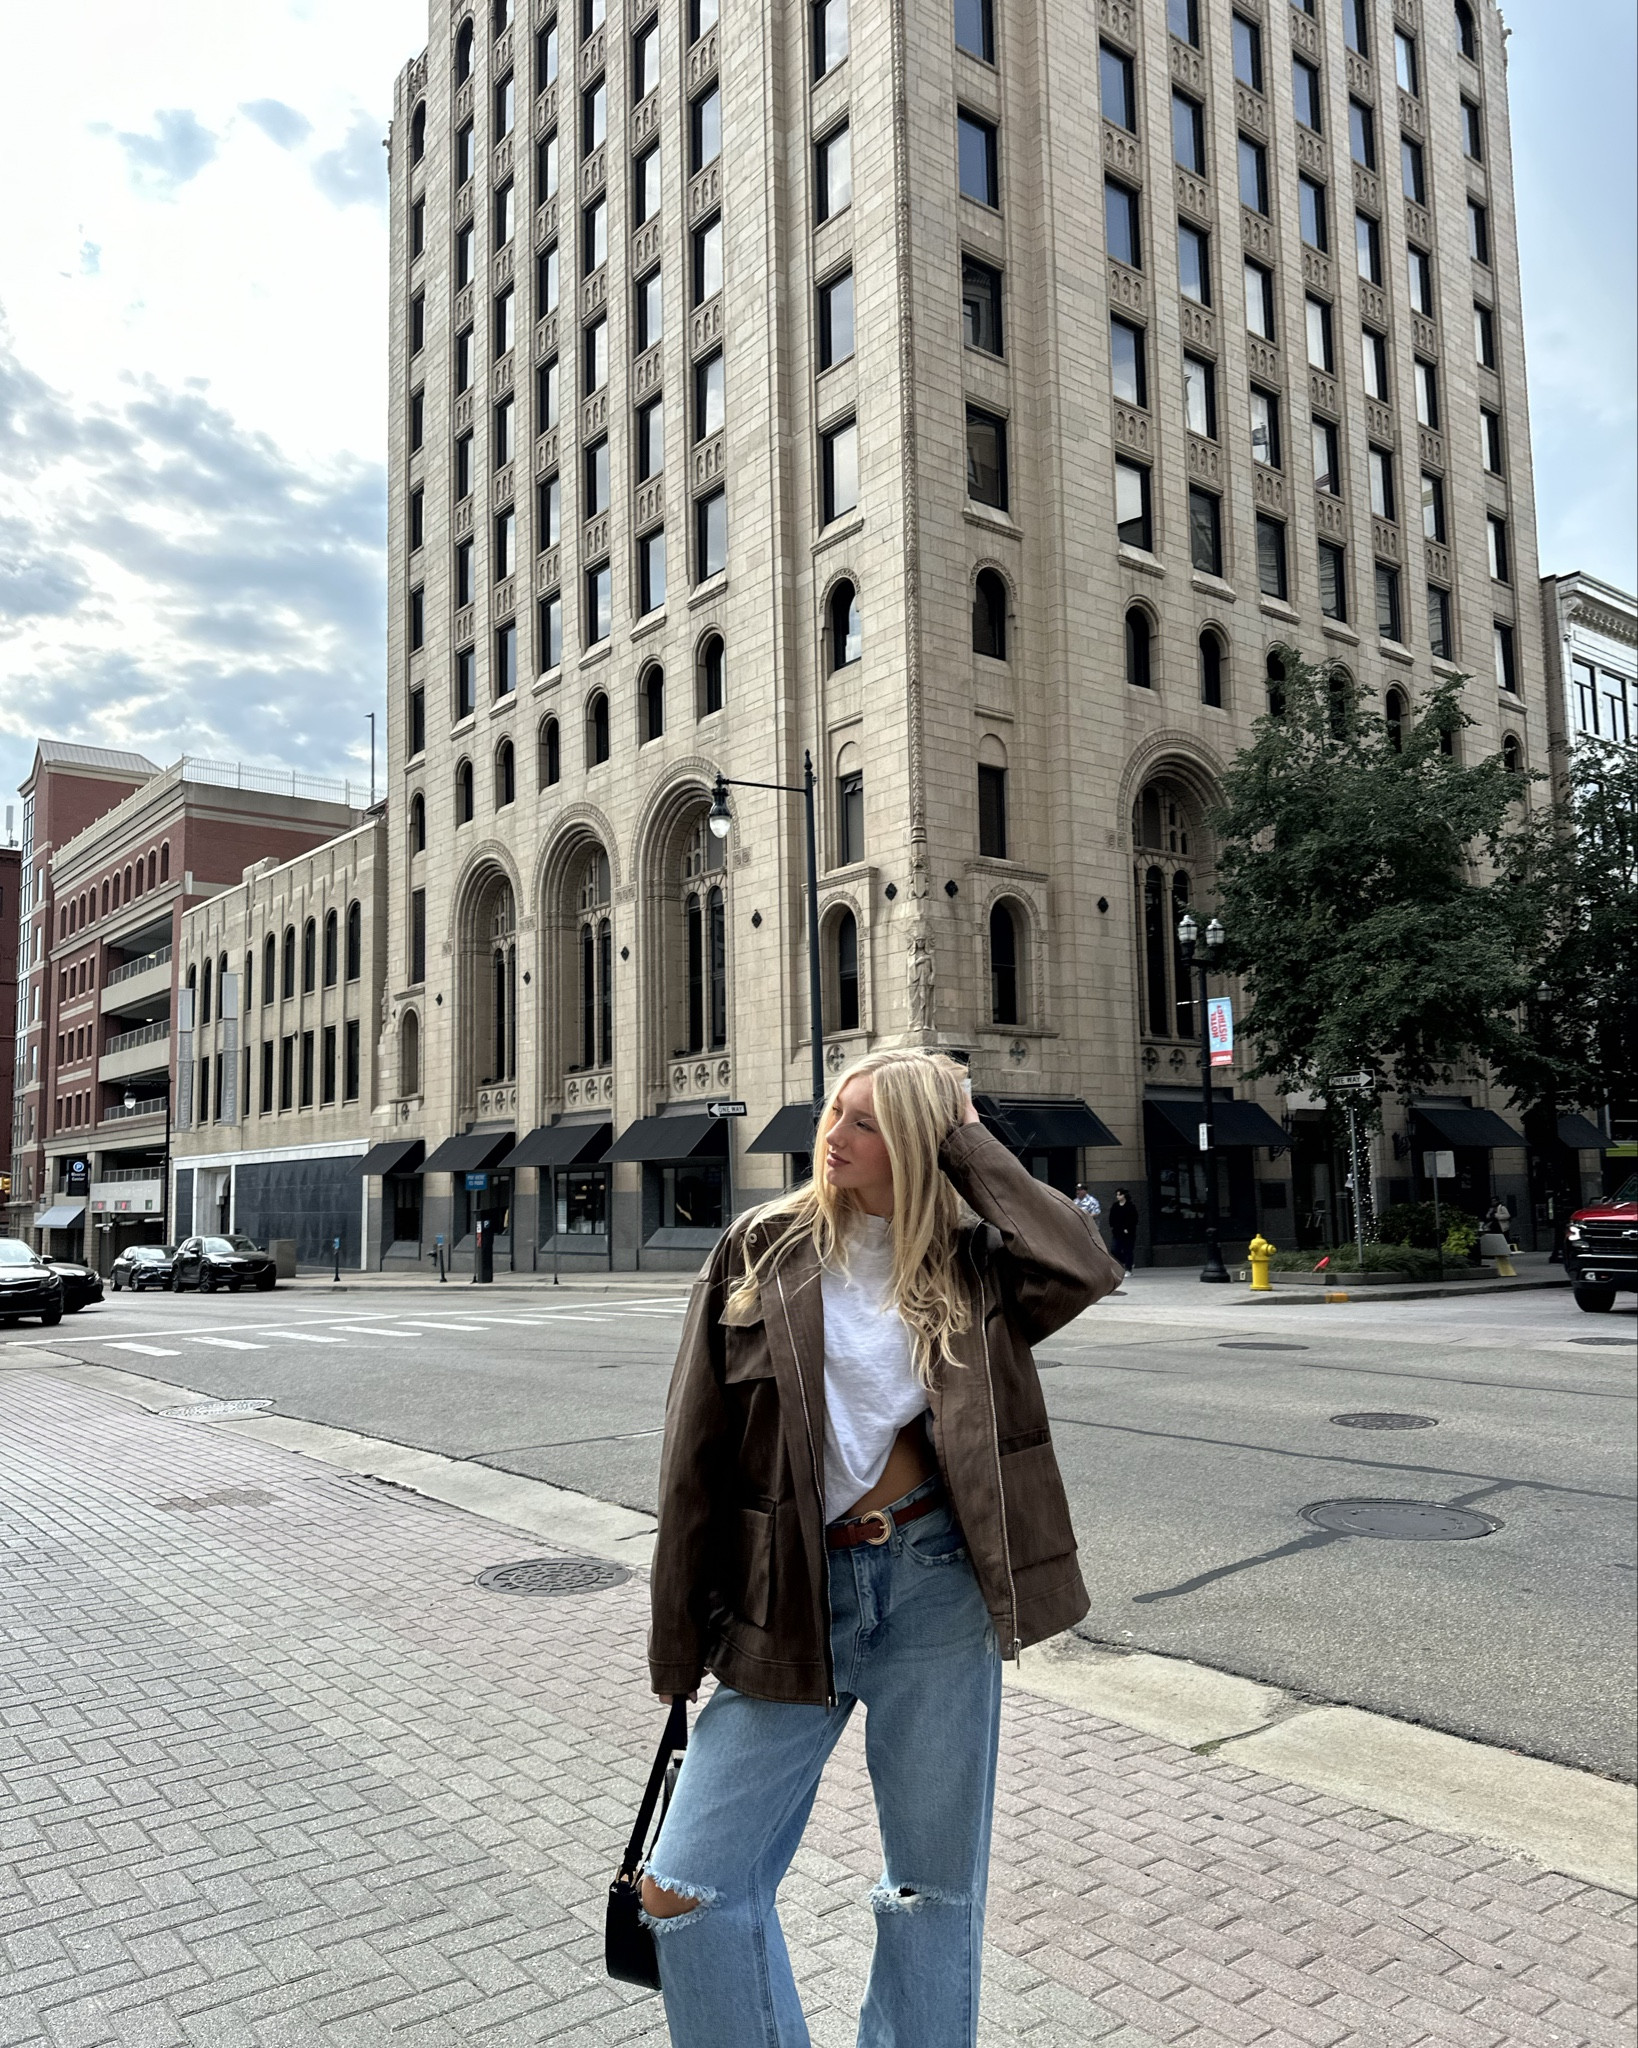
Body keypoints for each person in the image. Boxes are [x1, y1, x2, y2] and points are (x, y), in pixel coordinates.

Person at [641, 1049, 1122, 2046]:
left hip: (934, 1582)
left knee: (930, 1890)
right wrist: (678, 1638)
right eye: (834, 1111)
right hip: (793, 1590)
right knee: (684, 1883)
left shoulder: (973, 1263)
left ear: (911, 1144)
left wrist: (965, 1131)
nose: (833, 1133)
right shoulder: (759, 1249)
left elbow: (1082, 1263)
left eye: (864, 1120)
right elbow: (693, 1457)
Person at [1107, 1187, 1139, 1272]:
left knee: (1128, 1249)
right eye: (1117, 1195)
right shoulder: (1115, 1206)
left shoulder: (1130, 1206)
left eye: (1119, 1194)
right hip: (1117, 1232)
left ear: (1124, 1195)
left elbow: (1134, 1219)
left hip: (1129, 1233)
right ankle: (1125, 1261)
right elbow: (1112, 1218)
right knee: (1114, 1249)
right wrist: (1114, 1226)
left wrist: (1128, 1228)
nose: (1117, 1196)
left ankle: (1128, 1268)